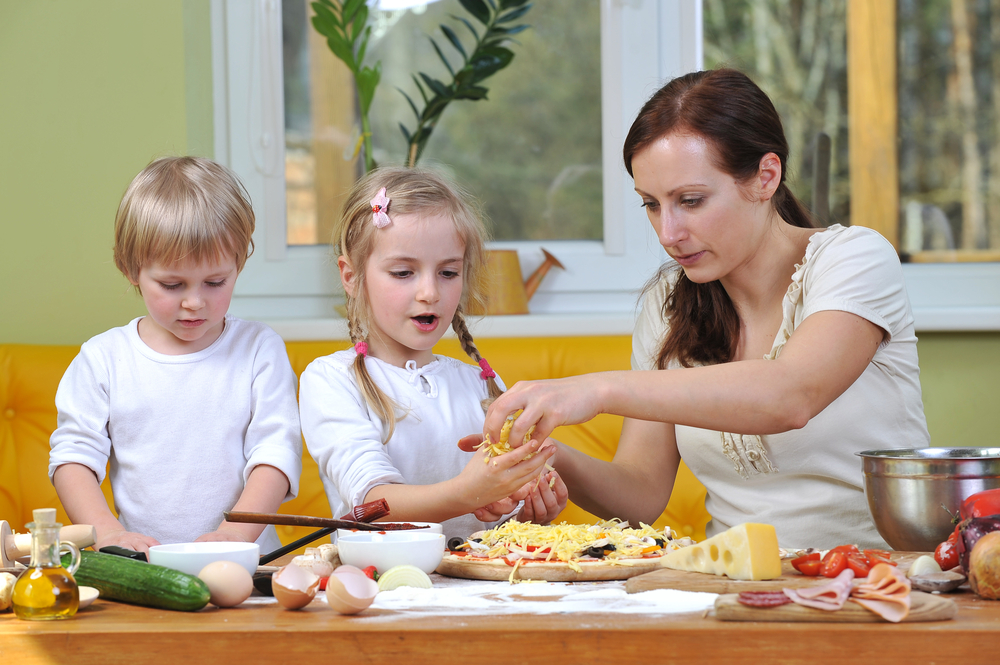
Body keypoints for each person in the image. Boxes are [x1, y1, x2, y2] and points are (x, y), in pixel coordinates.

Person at [473, 69, 929, 549]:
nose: (668, 233)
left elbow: (791, 396)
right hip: (728, 591)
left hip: (877, 585)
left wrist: (598, 388)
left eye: (690, 201)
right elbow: (640, 494)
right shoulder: (667, 304)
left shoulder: (854, 258)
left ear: (765, 177)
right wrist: (539, 452)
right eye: (651, 205)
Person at [49, 156, 302, 556]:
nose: (194, 302)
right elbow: (73, 459)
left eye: (215, 281)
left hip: (248, 563)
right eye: (172, 284)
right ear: (130, 268)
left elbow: (276, 455)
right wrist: (107, 533)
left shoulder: (259, 350)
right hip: (144, 567)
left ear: (239, 263)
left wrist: (232, 537)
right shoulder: (103, 358)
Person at [299, 166, 566, 539]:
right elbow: (373, 504)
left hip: (476, 590)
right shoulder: (331, 381)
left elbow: (492, 529)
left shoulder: (481, 384)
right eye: (404, 272)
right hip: (381, 588)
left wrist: (525, 507)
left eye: (448, 273)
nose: (430, 292)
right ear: (351, 277)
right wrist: (471, 492)